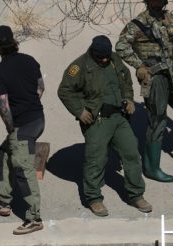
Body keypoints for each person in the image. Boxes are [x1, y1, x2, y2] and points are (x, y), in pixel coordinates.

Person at [57, 36, 153, 217]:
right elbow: (64, 91)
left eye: (106, 56)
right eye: (100, 57)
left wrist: (129, 98)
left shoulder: (115, 59)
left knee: (131, 154)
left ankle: (136, 194)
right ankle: (94, 198)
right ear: (93, 52)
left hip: (119, 117)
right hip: (97, 120)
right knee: (96, 159)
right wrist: (79, 111)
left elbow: (126, 80)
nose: (104, 60)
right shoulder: (79, 66)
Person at [115, 0, 173, 183]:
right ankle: (152, 168)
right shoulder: (138, 24)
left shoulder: (171, 19)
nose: (158, 4)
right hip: (156, 77)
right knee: (158, 121)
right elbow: (121, 47)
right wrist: (139, 65)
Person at [0, 26, 45, 235]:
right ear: (14, 43)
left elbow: (4, 107)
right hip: (37, 118)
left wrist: (11, 127)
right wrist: (30, 104)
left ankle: (34, 218)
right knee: (3, 156)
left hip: (22, 125)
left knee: (23, 170)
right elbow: (40, 87)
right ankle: (3, 202)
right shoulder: (30, 60)